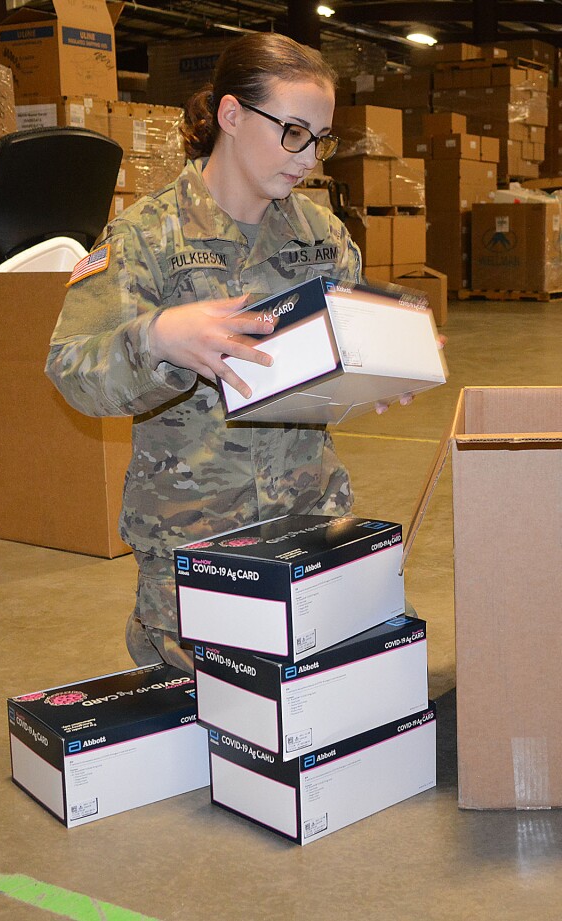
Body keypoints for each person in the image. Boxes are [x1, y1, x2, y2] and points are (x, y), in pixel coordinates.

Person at [46, 33, 362, 672]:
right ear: (232, 115)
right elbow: (72, 369)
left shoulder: (322, 236)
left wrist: (384, 364)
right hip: (192, 536)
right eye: (294, 131)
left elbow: (341, 350)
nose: (309, 157)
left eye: (322, 138)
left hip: (307, 515)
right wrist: (157, 338)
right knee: (203, 721)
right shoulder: (145, 237)